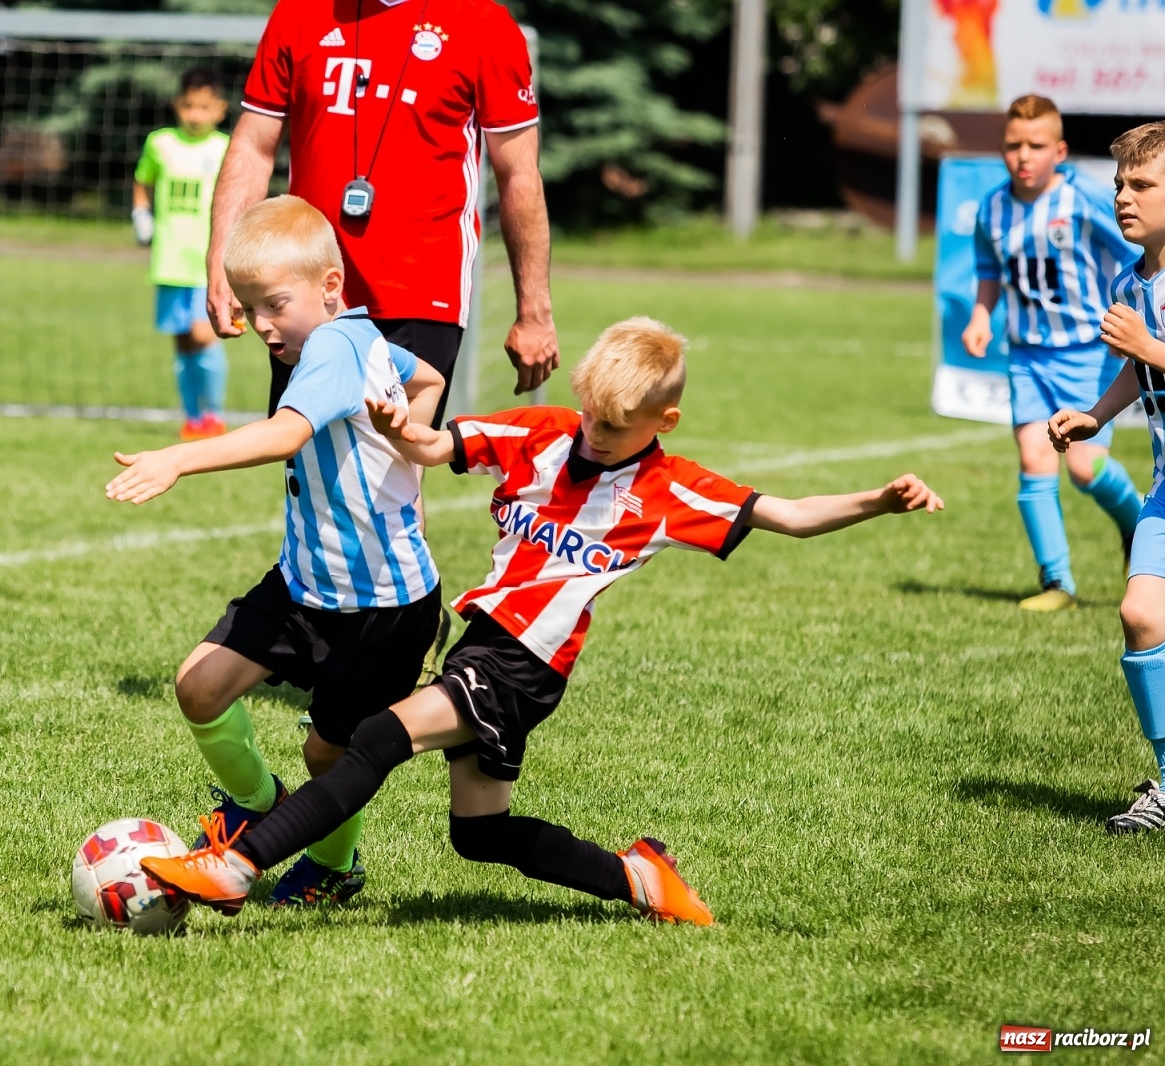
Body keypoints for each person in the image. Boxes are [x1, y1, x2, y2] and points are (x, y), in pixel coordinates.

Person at [141, 317, 945, 923]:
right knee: (478, 837)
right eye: (590, 413)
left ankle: (239, 866)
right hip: (482, 646)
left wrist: (879, 501)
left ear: (662, 423)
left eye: (614, 426)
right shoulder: (545, 433)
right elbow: (433, 448)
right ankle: (639, 878)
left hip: (522, 667)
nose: (593, 434)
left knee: (381, 736)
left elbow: (794, 513)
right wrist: (401, 432)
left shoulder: (672, 488)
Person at [106, 196, 447, 903]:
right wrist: (405, 430)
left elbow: (285, 434)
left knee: (328, 753)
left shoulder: (332, 347)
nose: (262, 324)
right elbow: (429, 379)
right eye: (251, 306)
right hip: (304, 585)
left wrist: (178, 459)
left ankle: (333, 865)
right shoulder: (360, 338)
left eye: (274, 305)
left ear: (329, 288)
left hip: (382, 605)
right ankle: (257, 806)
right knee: (199, 686)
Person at [204, 0, 560, 428]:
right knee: (307, 464)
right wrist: (222, 258)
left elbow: (519, 174)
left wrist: (534, 312)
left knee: (393, 475)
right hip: (306, 288)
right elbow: (253, 146)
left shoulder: (483, 22)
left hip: (421, 290)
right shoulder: (298, 12)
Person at [963, 94, 1143, 612]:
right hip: (1026, 355)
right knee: (1033, 456)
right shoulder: (991, 207)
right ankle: (1056, 584)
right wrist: (981, 315)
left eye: (1036, 145)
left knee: (1086, 470)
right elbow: (989, 270)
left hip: (1089, 354)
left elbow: (1134, 253)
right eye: (1013, 145)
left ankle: (1137, 526)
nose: (1023, 156)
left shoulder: (1083, 202)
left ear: (1059, 151)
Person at [1049, 121, 1165, 834]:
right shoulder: (1132, 277)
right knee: (1140, 614)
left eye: (1143, 185)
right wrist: (1097, 415)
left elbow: (1146, 350)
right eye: (1120, 184)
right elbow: (1138, 366)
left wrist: (1149, 344)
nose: (1124, 197)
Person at [133, 69, 232, 441]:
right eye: (189, 106)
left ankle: (215, 414)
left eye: (204, 107)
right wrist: (140, 215)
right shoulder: (160, 143)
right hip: (170, 259)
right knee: (183, 339)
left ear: (219, 109)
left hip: (209, 261)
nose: (195, 114)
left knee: (205, 335)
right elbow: (143, 180)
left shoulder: (225, 148)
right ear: (178, 105)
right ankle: (192, 417)